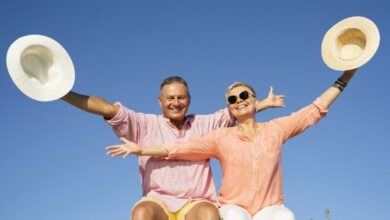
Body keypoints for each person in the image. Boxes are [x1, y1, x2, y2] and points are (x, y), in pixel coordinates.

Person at [105, 69, 357, 220]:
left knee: (287, 217)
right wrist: (141, 149)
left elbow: (313, 111)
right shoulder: (220, 137)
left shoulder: (276, 130)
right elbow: (179, 149)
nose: (239, 100)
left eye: (244, 95)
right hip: (234, 208)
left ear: (254, 100)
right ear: (230, 107)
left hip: (269, 208)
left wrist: (345, 77)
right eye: (233, 99)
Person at [61, 76, 285, 220]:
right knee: (142, 213)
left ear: (189, 100)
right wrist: (62, 92)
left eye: (180, 97)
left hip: (196, 203)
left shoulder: (206, 123)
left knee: (209, 214)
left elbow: (238, 110)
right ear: (160, 101)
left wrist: (262, 103)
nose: (175, 103)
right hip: (158, 201)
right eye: (170, 98)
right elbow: (107, 108)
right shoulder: (142, 124)